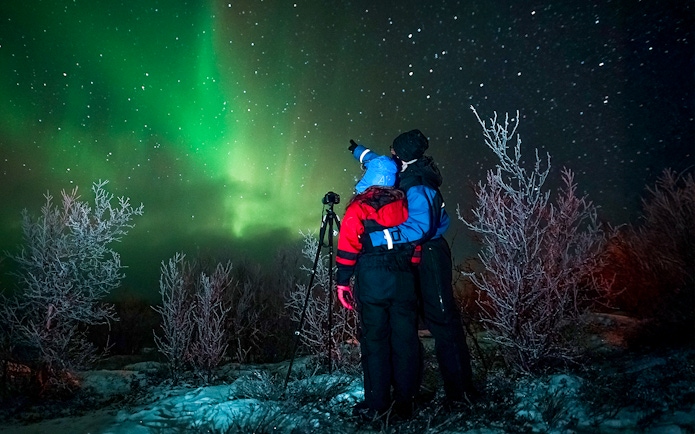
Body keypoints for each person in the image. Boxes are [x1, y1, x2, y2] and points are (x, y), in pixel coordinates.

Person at [363, 129, 476, 405]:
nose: (389, 154)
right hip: (412, 255)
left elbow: (420, 227)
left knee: (442, 320)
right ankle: (410, 388)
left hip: (429, 255)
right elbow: (377, 161)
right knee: (410, 320)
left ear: (403, 155)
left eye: (393, 151)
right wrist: (359, 151)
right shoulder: (409, 171)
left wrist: (378, 239)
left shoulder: (420, 184)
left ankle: (461, 394)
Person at [335, 143, 421, 420]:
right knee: (405, 340)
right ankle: (406, 401)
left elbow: (348, 247)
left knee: (375, 341)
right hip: (403, 278)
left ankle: (377, 403)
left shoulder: (358, 208)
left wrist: (342, 282)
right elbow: (416, 242)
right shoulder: (406, 205)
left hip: (372, 280)